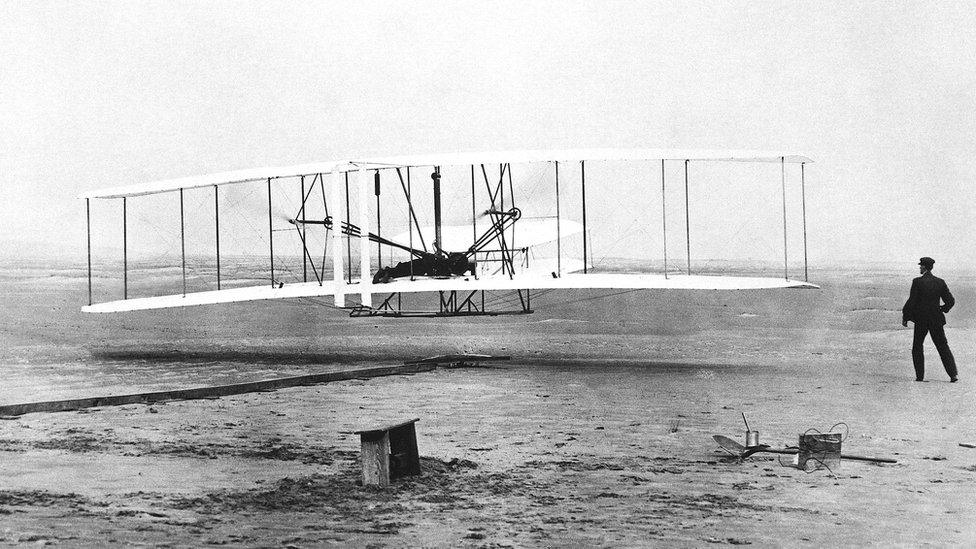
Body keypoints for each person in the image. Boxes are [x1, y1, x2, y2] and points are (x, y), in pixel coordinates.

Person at [902, 257, 957, 382]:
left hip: (921, 319)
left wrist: (906, 316)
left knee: (917, 346)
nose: (919, 268)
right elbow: (951, 301)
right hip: (936, 319)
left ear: (924, 267)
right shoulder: (940, 282)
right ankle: (953, 375)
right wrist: (942, 309)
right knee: (943, 346)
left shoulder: (917, 282)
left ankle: (920, 376)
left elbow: (912, 301)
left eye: (921, 266)